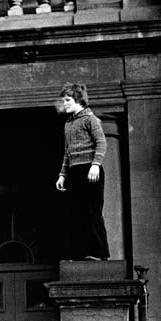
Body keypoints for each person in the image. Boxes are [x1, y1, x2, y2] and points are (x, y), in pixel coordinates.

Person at [55, 83, 110, 260]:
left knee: (92, 212)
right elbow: (67, 152)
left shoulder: (90, 119)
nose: (64, 103)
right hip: (74, 171)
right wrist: (62, 174)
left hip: (90, 170)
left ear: (78, 100)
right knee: (74, 213)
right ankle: (78, 253)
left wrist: (95, 165)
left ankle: (99, 253)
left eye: (68, 100)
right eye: (63, 100)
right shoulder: (68, 124)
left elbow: (101, 142)